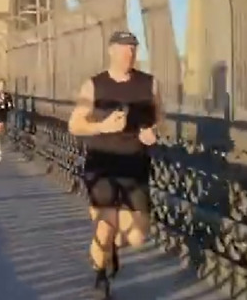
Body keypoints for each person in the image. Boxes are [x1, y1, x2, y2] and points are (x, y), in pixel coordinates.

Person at [67, 30, 162, 299]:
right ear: (111, 50)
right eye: (122, 48)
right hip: (102, 163)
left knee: (137, 236)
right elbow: (75, 124)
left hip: (135, 163)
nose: (128, 53)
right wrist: (103, 126)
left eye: (132, 48)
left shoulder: (150, 84)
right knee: (106, 222)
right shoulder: (94, 85)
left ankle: (110, 250)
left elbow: (160, 118)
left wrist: (153, 132)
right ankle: (101, 275)